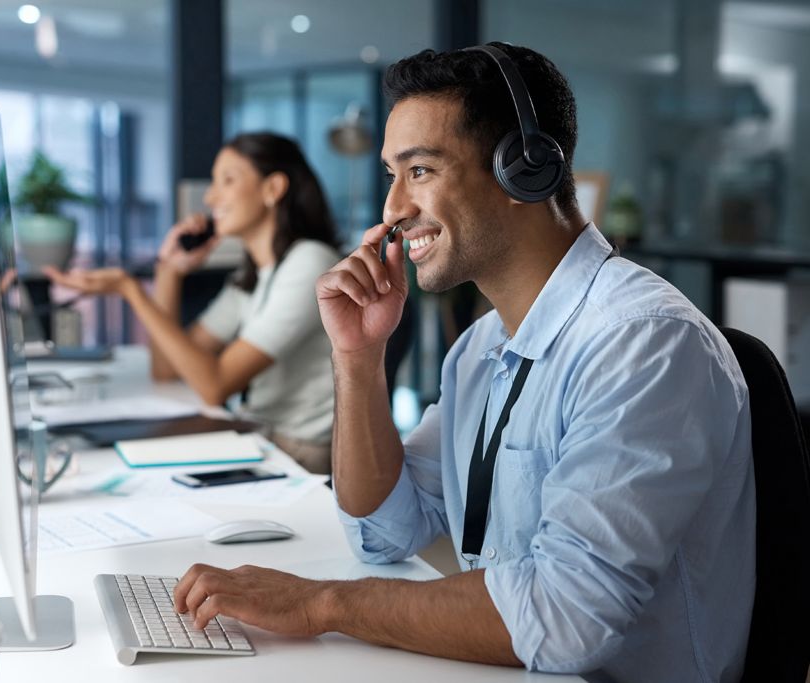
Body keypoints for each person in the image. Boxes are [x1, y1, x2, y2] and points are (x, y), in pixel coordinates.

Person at [171, 43, 755, 682]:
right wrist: (358, 357)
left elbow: (567, 618)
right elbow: (384, 533)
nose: (393, 209)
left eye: (419, 170)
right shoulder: (481, 350)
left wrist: (320, 603)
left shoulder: (642, 344)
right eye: (392, 175)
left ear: (521, 170)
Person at [45, 133, 342, 473]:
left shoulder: (309, 263)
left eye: (227, 181)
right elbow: (167, 369)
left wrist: (131, 290)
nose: (211, 197)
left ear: (273, 189)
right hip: (261, 436)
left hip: (299, 452)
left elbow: (214, 385)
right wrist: (169, 272)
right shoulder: (254, 274)